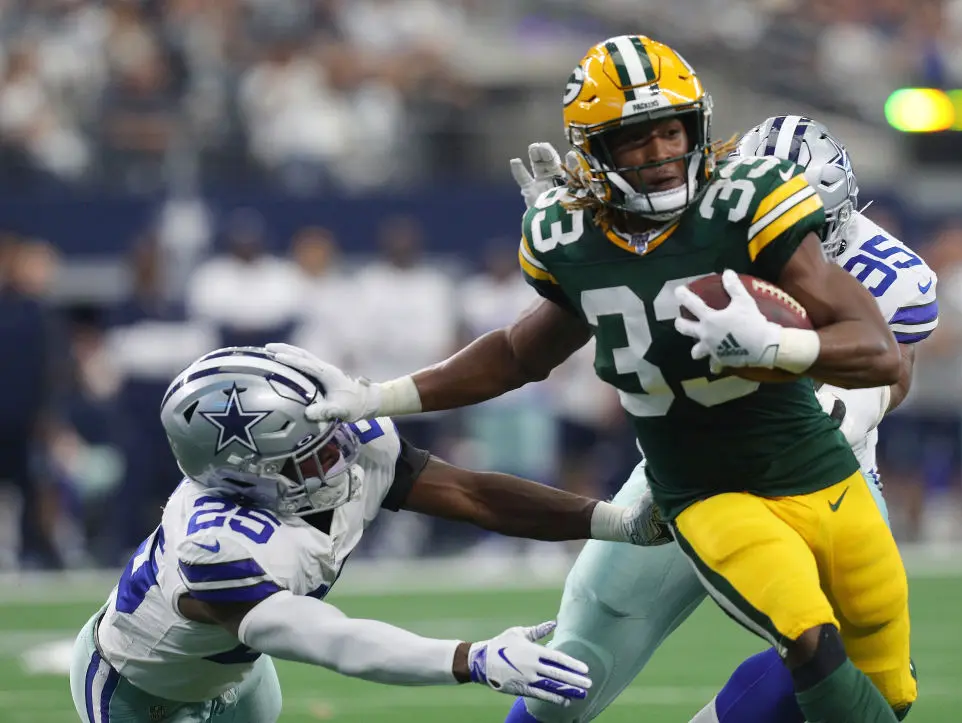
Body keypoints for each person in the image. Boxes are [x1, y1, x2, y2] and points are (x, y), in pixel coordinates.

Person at [271, 36, 917, 723]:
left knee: (884, 685)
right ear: (597, 153)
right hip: (699, 481)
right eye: (636, 141)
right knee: (603, 654)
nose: (663, 155)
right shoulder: (574, 235)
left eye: (672, 131)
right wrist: (380, 394)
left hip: (827, 467)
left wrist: (782, 345)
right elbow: (520, 351)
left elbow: (884, 364)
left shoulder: (792, 225)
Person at [499, 114, 939, 723]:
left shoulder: (884, 268)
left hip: (823, 466)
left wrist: (845, 405)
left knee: (847, 666)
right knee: (583, 651)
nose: (786, 229)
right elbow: (598, 301)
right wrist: (582, 243)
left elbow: (895, 371)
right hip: (692, 463)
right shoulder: (687, 220)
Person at [69, 346, 673, 723]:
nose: (339, 458)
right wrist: (472, 659)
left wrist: (613, 521)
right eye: (309, 456)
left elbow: (473, 494)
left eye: (327, 437)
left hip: (238, 676)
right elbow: (336, 641)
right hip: (136, 689)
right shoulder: (218, 547)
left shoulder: (350, 448)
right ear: (242, 476)